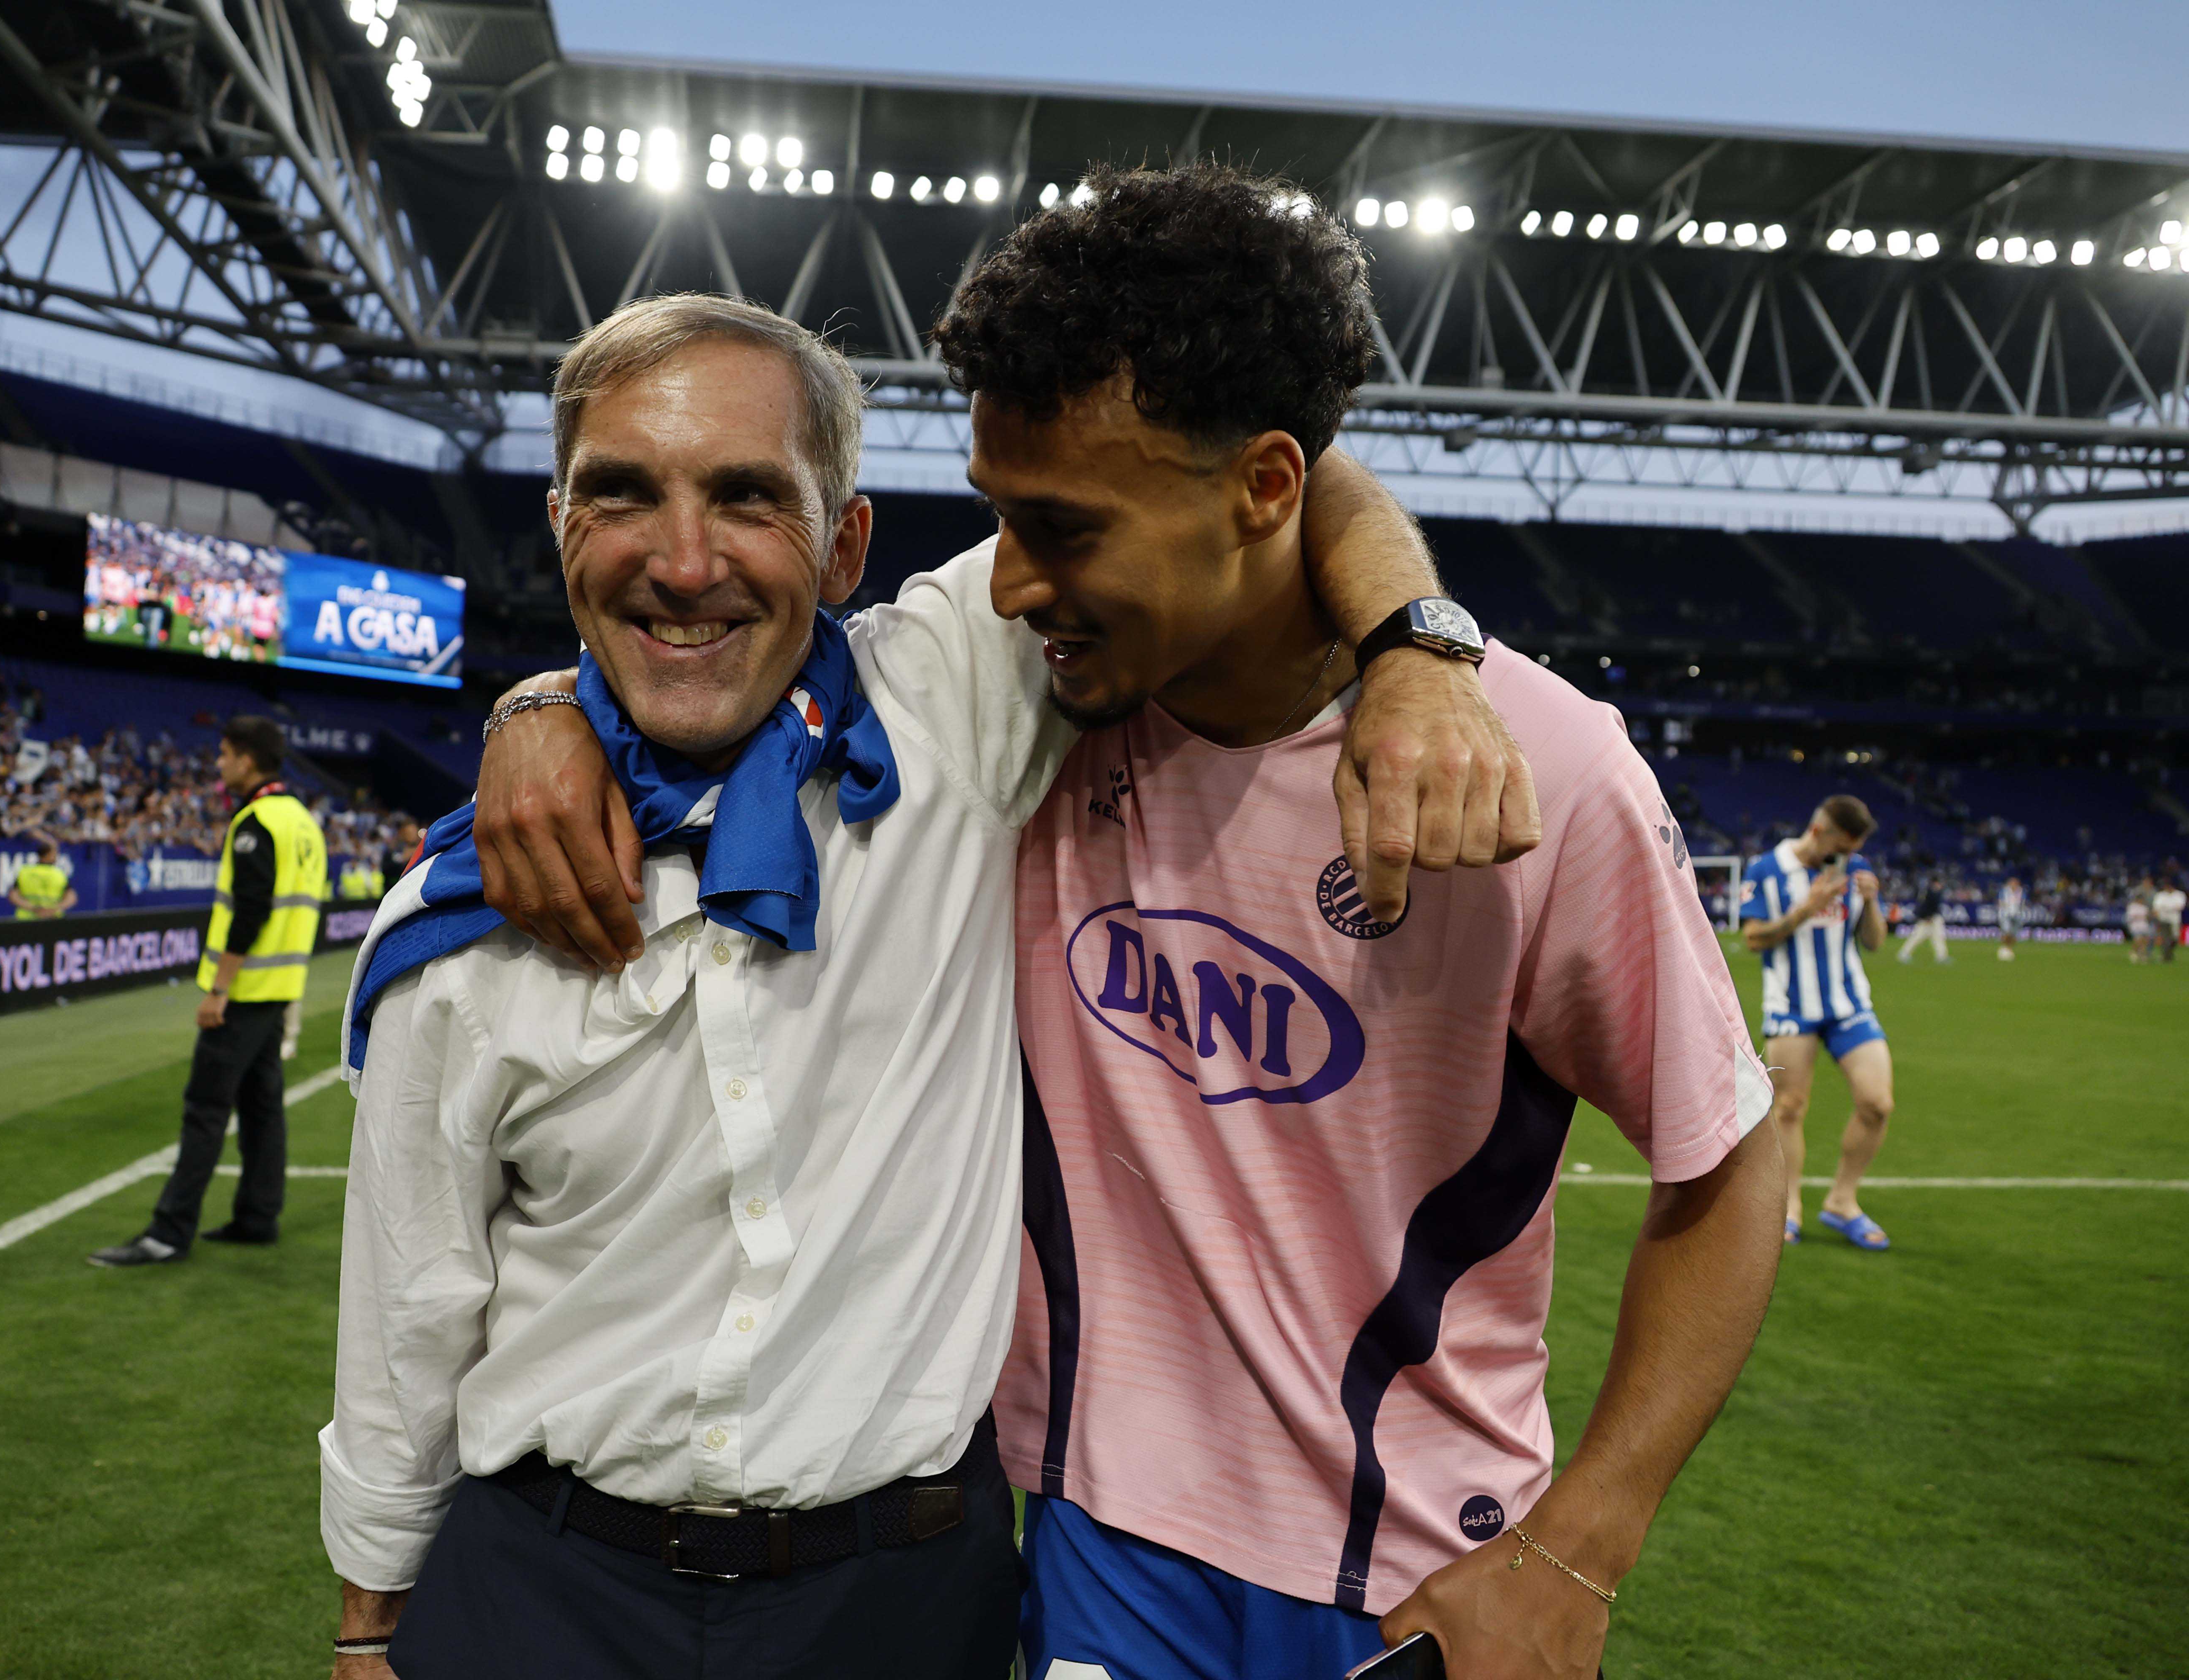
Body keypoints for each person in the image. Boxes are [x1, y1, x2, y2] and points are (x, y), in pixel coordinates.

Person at [481, 168, 1782, 1680]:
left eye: (1064, 528)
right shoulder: (1012, 717)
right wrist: (540, 703)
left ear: (1262, 493)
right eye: (998, 517)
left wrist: (1577, 1545)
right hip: (1093, 1545)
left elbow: (1725, 1157)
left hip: (1407, 1577)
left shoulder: (1534, 773)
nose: (1010, 581)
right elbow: (714, 650)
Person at [322, 283, 1533, 1680]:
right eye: (622, 494)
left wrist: (1417, 649)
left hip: (895, 1602)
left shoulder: (950, 705)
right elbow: (409, 1304)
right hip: (544, 1588)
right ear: (559, 529)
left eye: (747, 497)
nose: (685, 559)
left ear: (845, 545)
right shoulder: (458, 916)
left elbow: (1273, 474)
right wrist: (368, 1629)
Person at [90, 716, 325, 1267]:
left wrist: (219, 988)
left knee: (205, 1109)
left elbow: (251, 911)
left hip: (244, 992)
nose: (219, 764)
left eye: (224, 754)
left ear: (247, 759)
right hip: (281, 987)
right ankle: (258, 1216)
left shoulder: (256, 823)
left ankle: (168, 1232)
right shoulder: (302, 822)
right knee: (263, 1109)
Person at [1740, 795, 1895, 1251]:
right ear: (1818, 831)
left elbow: (1875, 942)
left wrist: (1871, 903)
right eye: (1841, 847)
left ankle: (1842, 1201)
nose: (1844, 857)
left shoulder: (1854, 868)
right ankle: (1789, 1207)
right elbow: (1753, 938)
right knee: (1790, 1107)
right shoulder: (1766, 870)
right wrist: (1806, 909)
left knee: (1877, 1103)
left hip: (1849, 1004)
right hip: (1791, 1005)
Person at [8, 840, 76, 919]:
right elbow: (71, 897)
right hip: (53, 919)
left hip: (26, 919)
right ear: (49, 855)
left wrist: (35, 909)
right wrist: (54, 909)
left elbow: (14, 896)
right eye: (55, 854)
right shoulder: (59, 874)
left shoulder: (25, 872)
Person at [1895, 873, 1950, 963]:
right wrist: (1927, 916)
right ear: (1936, 883)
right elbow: (1925, 906)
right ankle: (1904, 954)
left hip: (1933, 917)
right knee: (1919, 936)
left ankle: (1942, 957)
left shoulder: (1930, 892)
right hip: (1929, 918)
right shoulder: (1930, 892)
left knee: (1938, 937)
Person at [2125, 877, 2157, 963]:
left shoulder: (2145, 907)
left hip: (2144, 925)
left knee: (2145, 941)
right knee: (2138, 940)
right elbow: (2131, 917)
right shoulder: (2133, 906)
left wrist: (2151, 916)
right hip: (2135, 926)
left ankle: (2142, 954)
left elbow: (2147, 916)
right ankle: (2134, 952)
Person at [2155, 877, 2186, 963]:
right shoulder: (2161, 895)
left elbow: (2181, 906)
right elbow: (2157, 908)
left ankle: (2169, 953)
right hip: (2164, 920)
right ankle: (2166, 957)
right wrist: (2171, 908)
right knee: (2165, 939)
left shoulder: (2180, 895)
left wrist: (2166, 908)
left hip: (2175, 920)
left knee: (2175, 938)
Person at [1997, 874, 2026, 961]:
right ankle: (2005, 948)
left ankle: (2009, 949)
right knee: (2007, 932)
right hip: (2006, 915)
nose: (2014, 885)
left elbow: (2023, 903)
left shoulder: (2021, 891)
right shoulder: (2004, 891)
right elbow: (2001, 902)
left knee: (2014, 934)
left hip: (2017, 915)